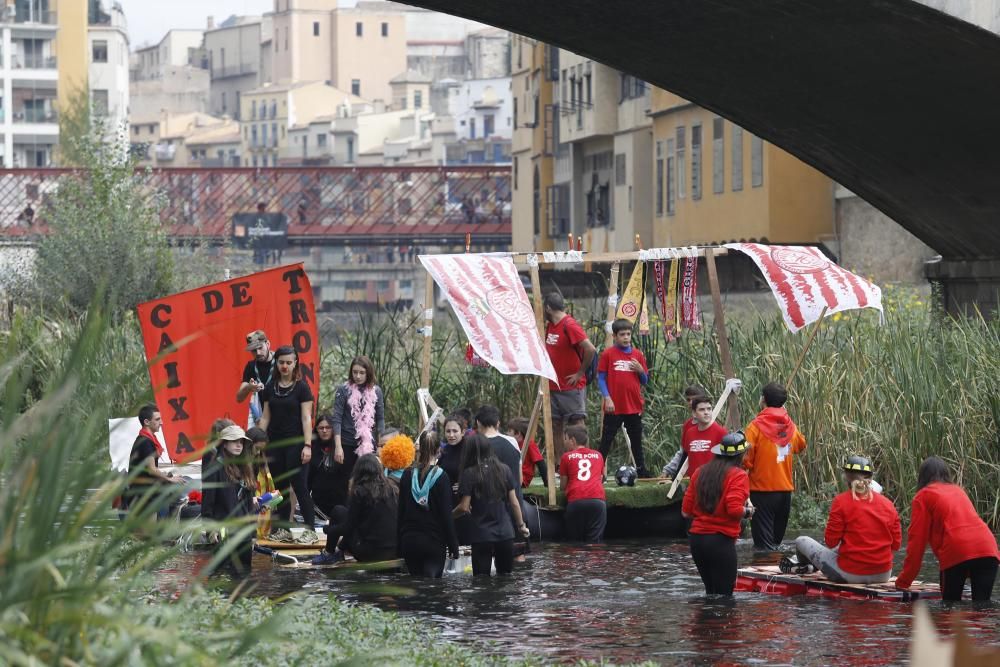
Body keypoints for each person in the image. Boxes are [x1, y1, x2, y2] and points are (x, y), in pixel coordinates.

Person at [895, 456, 999, 601]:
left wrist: (903, 581)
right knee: (982, 608)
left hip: (957, 551)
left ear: (922, 477)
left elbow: (916, 543)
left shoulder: (923, 496)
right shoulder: (959, 490)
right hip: (989, 549)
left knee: (949, 609)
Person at [792, 456, 901, 584]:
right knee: (839, 548)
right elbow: (896, 545)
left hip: (849, 575)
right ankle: (810, 566)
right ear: (871, 478)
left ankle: (806, 567)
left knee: (801, 540)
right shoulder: (888, 504)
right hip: (883, 575)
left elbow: (831, 542)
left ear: (846, 478)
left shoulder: (841, 501)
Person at [257, 345, 318, 543]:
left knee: (299, 486)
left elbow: (306, 418)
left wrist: (308, 445)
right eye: (281, 362)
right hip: (275, 443)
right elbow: (265, 417)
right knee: (280, 489)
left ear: (295, 363)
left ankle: (310, 530)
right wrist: (257, 440)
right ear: (277, 363)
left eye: (289, 362)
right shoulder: (270, 387)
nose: (285, 366)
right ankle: (283, 529)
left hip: (296, 443)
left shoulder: (302, 387)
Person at [681, 432, 753, 596]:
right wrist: (748, 511)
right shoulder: (739, 475)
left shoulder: (700, 472)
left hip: (697, 541)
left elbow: (685, 511)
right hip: (721, 542)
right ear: (741, 455)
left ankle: (705, 622)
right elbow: (734, 510)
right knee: (725, 598)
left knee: (711, 593)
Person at [742, 381, 807, 550]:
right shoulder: (790, 425)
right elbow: (801, 445)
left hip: (761, 491)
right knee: (776, 543)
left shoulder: (755, 426)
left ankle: (766, 574)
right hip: (785, 491)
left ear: (763, 400)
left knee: (764, 547)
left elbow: (746, 460)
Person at [454, 434, 530, 576]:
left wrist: (448, 516)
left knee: (481, 581)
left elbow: (464, 507)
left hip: (481, 535)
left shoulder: (469, 473)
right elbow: (514, 503)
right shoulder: (504, 469)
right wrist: (521, 526)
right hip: (505, 534)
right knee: (505, 577)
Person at [312, 454, 399, 565]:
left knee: (337, 511)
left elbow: (348, 528)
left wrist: (328, 529)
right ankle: (337, 552)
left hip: (370, 553)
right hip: (394, 551)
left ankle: (329, 553)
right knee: (343, 514)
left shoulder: (360, 491)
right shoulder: (393, 489)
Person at [397, 431, 460, 577]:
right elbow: (446, 516)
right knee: (431, 587)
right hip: (433, 541)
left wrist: (399, 544)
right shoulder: (442, 477)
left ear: (419, 450)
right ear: (439, 450)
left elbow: (400, 512)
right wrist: (453, 545)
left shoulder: (407, 475)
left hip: (410, 540)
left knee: (416, 585)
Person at [543, 292, 597, 454]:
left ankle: (584, 459)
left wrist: (580, 373)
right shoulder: (551, 325)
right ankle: (560, 465)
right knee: (556, 425)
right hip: (553, 385)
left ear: (548, 308)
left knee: (577, 423)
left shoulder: (569, 325)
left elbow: (590, 349)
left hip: (571, 386)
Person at [597, 319, 651, 478]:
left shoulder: (637, 355)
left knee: (636, 440)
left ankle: (641, 470)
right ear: (614, 336)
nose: (626, 337)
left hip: (633, 406)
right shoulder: (608, 354)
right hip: (614, 406)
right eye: (622, 335)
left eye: (628, 334)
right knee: (606, 440)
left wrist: (641, 370)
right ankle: (598, 471)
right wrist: (607, 398)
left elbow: (645, 381)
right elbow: (601, 378)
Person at [201, 424, 258, 572]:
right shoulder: (214, 468)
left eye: (241, 442)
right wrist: (210, 531)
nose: (239, 445)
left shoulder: (245, 468)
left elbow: (249, 505)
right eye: (234, 441)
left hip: (244, 532)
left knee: (244, 574)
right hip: (223, 532)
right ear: (224, 444)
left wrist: (253, 533)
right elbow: (208, 503)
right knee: (221, 576)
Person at [123, 404, 183, 515]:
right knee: (145, 532)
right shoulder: (146, 441)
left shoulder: (145, 440)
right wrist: (170, 479)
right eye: (157, 419)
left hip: (142, 494)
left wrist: (166, 476)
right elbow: (152, 470)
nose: (162, 423)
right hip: (142, 496)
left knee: (145, 531)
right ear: (146, 422)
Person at [331, 355, 385, 466]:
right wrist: (338, 446)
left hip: (368, 444)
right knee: (346, 480)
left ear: (368, 373)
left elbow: (380, 419)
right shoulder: (344, 390)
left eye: (362, 372)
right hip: (346, 443)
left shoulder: (376, 391)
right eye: (355, 372)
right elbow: (336, 419)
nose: (358, 376)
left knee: (366, 480)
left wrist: (380, 445)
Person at [559, 425, 607, 542]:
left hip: (576, 501)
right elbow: (601, 478)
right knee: (594, 544)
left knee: (575, 543)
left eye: (565, 439)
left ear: (573, 440)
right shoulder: (598, 455)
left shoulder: (566, 457)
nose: (564, 442)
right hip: (597, 501)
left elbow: (563, 486)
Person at [663, 385, 711, 479]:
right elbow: (683, 452)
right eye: (688, 400)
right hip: (689, 476)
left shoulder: (712, 426)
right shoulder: (688, 425)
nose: (690, 402)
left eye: (693, 399)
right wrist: (668, 470)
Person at [236, 330, 275, 428]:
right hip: (262, 420)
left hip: (281, 417)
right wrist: (249, 387)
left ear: (268, 344)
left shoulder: (281, 361)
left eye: (260, 347)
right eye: (254, 350)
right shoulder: (251, 366)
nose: (258, 353)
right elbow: (239, 398)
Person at [246, 426, 277, 540]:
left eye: (261, 450)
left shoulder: (256, 459)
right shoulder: (240, 461)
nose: (258, 452)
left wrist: (261, 503)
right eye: (257, 448)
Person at [308, 414, 340, 518]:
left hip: (339, 503)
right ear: (316, 430)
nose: (325, 431)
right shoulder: (311, 450)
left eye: (328, 427)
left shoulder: (340, 450)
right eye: (321, 428)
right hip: (317, 505)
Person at [507, 417, 548, 488]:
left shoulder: (529, 444)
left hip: (522, 479)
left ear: (518, 434)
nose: (507, 433)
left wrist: (546, 482)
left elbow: (540, 463)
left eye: (510, 431)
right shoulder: (512, 444)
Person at [437, 414, 466, 492]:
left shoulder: (470, 449)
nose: (451, 435)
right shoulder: (445, 449)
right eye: (448, 431)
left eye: (455, 431)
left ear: (463, 432)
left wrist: (467, 485)